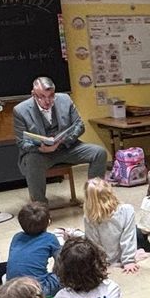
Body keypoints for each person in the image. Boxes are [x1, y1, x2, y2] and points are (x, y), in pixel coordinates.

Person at [12, 76, 108, 204]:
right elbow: (21, 142)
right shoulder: (20, 110)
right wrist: (40, 148)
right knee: (32, 161)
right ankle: (40, 208)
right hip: (41, 154)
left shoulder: (65, 99)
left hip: (67, 147)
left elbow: (79, 125)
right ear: (33, 94)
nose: (47, 101)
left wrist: (64, 140)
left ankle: (94, 202)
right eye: (41, 96)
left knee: (99, 153)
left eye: (51, 96)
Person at [83, 178, 140, 273]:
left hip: (103, 260)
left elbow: (93, 243)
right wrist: (128, 260)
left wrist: (100, 263)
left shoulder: (89, 217)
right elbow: (128, 237)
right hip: (110, 260)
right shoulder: (127, 210)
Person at [7, 202, 62, 298]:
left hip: (13, 288)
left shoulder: (17, 237)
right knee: (68, 275)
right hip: (38, 290)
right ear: (48, 222)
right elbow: (62, 262)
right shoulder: (50, 238)